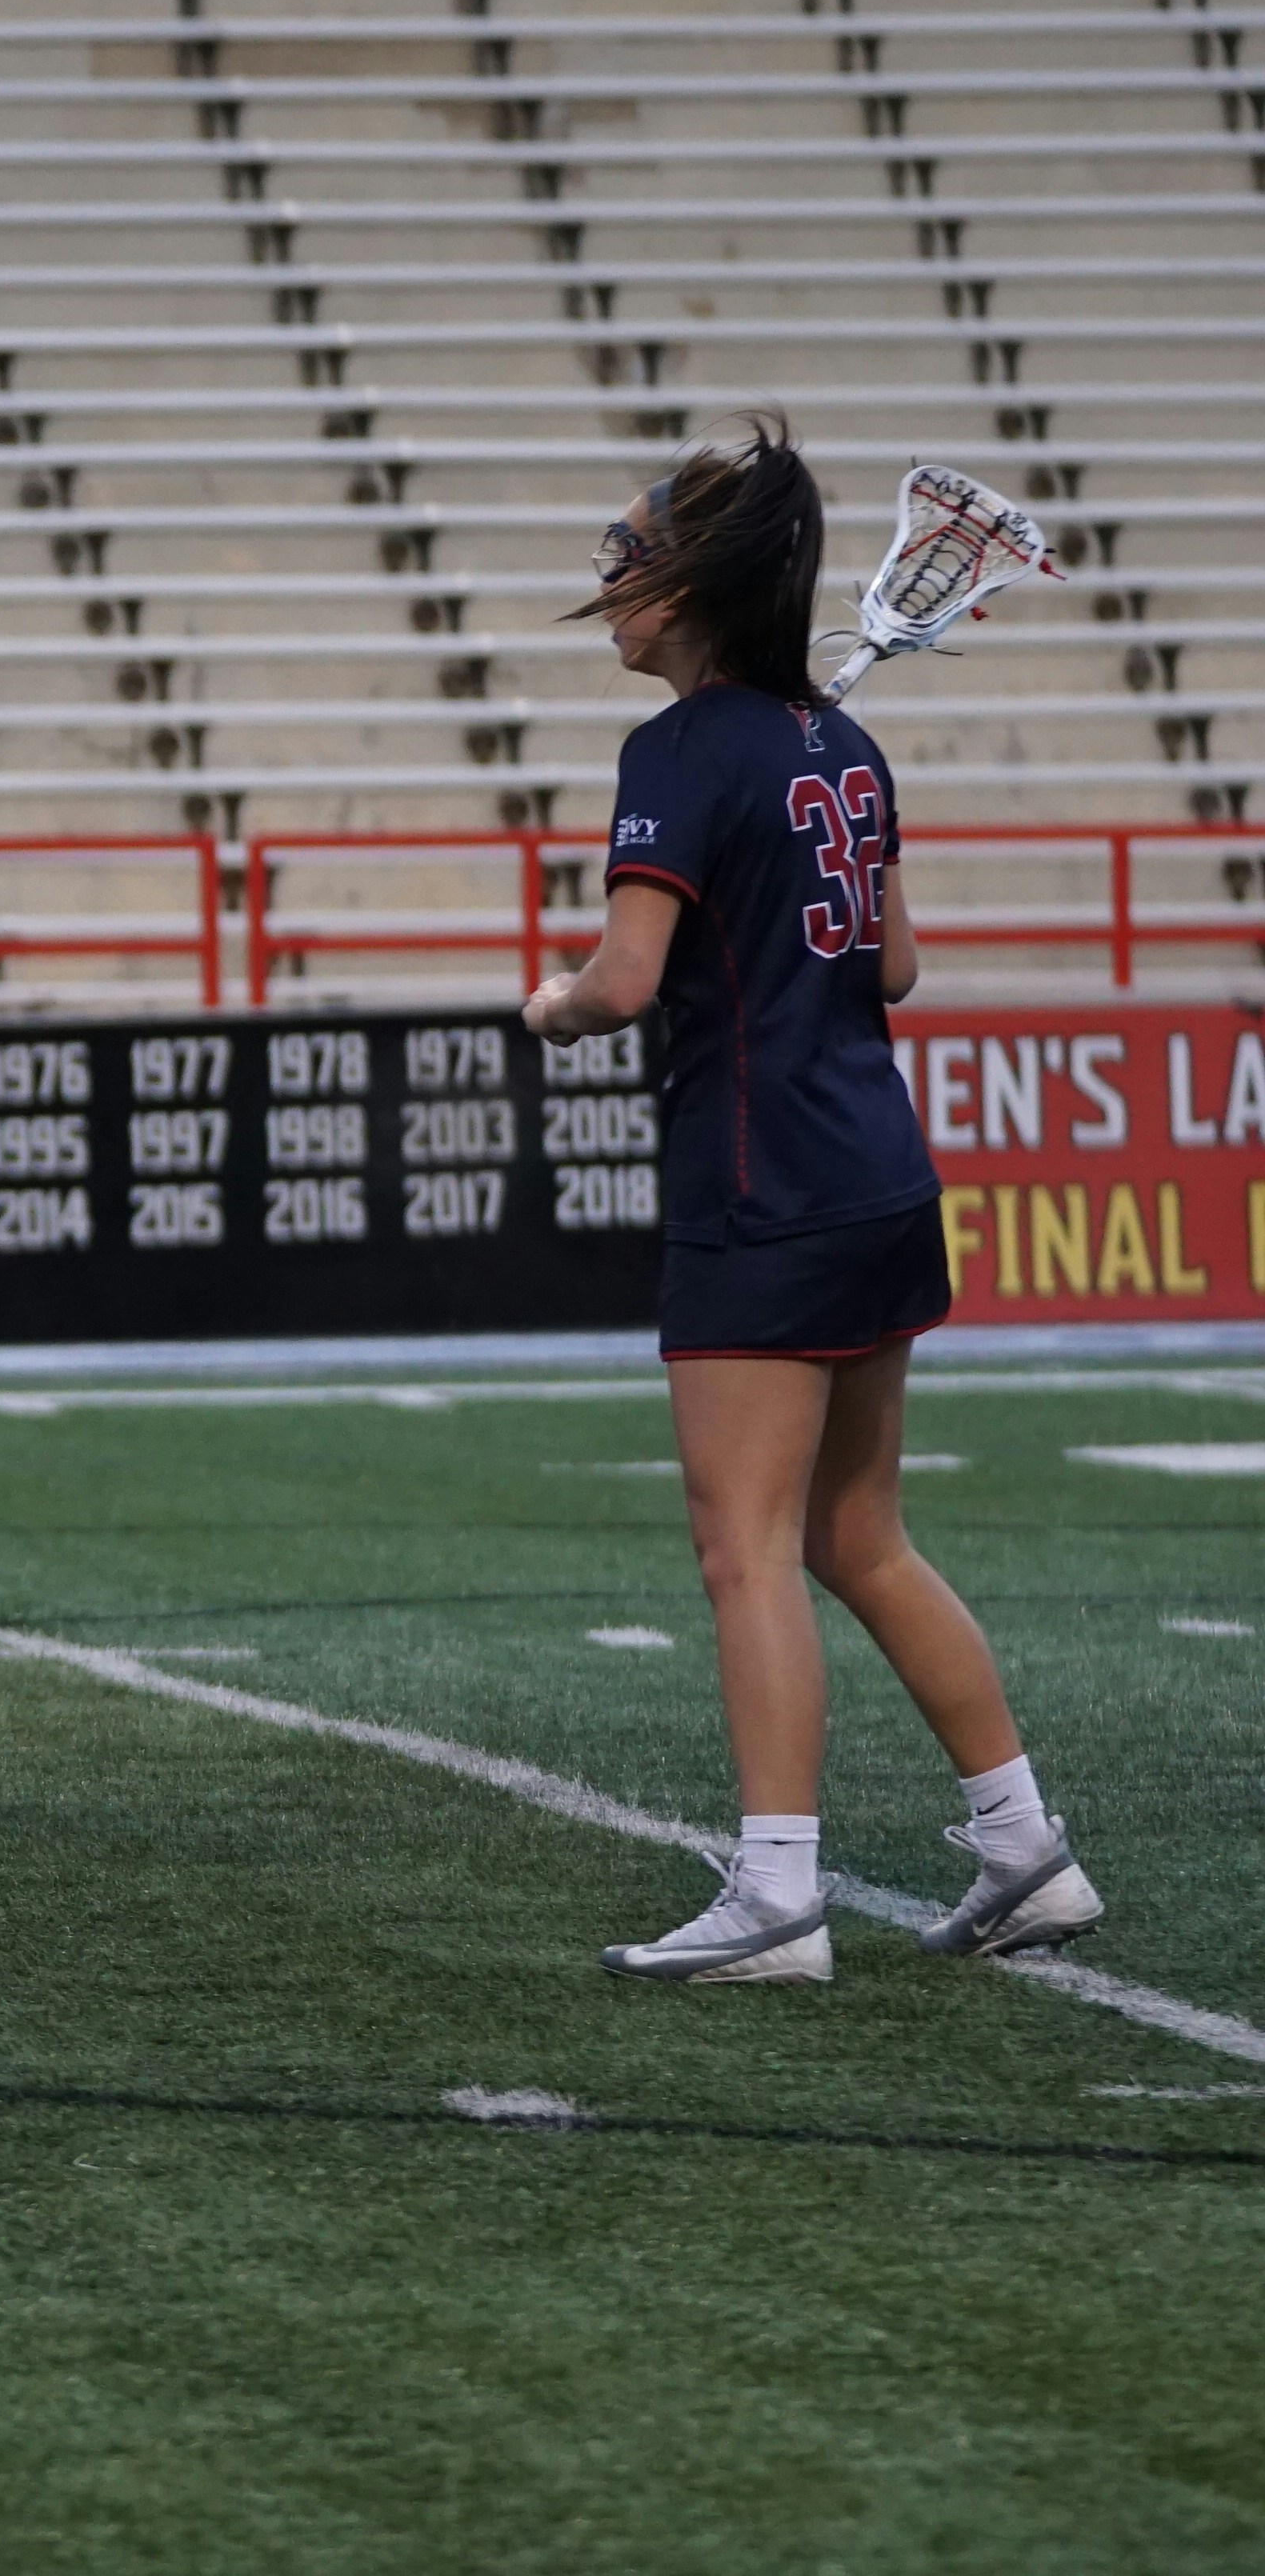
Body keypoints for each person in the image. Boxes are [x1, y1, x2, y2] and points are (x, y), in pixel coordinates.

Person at [526, 418, 1102, 1983]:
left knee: (748, 1544)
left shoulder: (680, 752)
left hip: (760, 1178)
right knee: (861, 1531)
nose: (611, 585)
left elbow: (631, 975)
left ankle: (778, 1890)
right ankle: (1021, 1841)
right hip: (878, 1175)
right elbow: (896, 966)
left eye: (628, 557)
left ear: (690, 586)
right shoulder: (842, 744)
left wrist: (560, 1004)